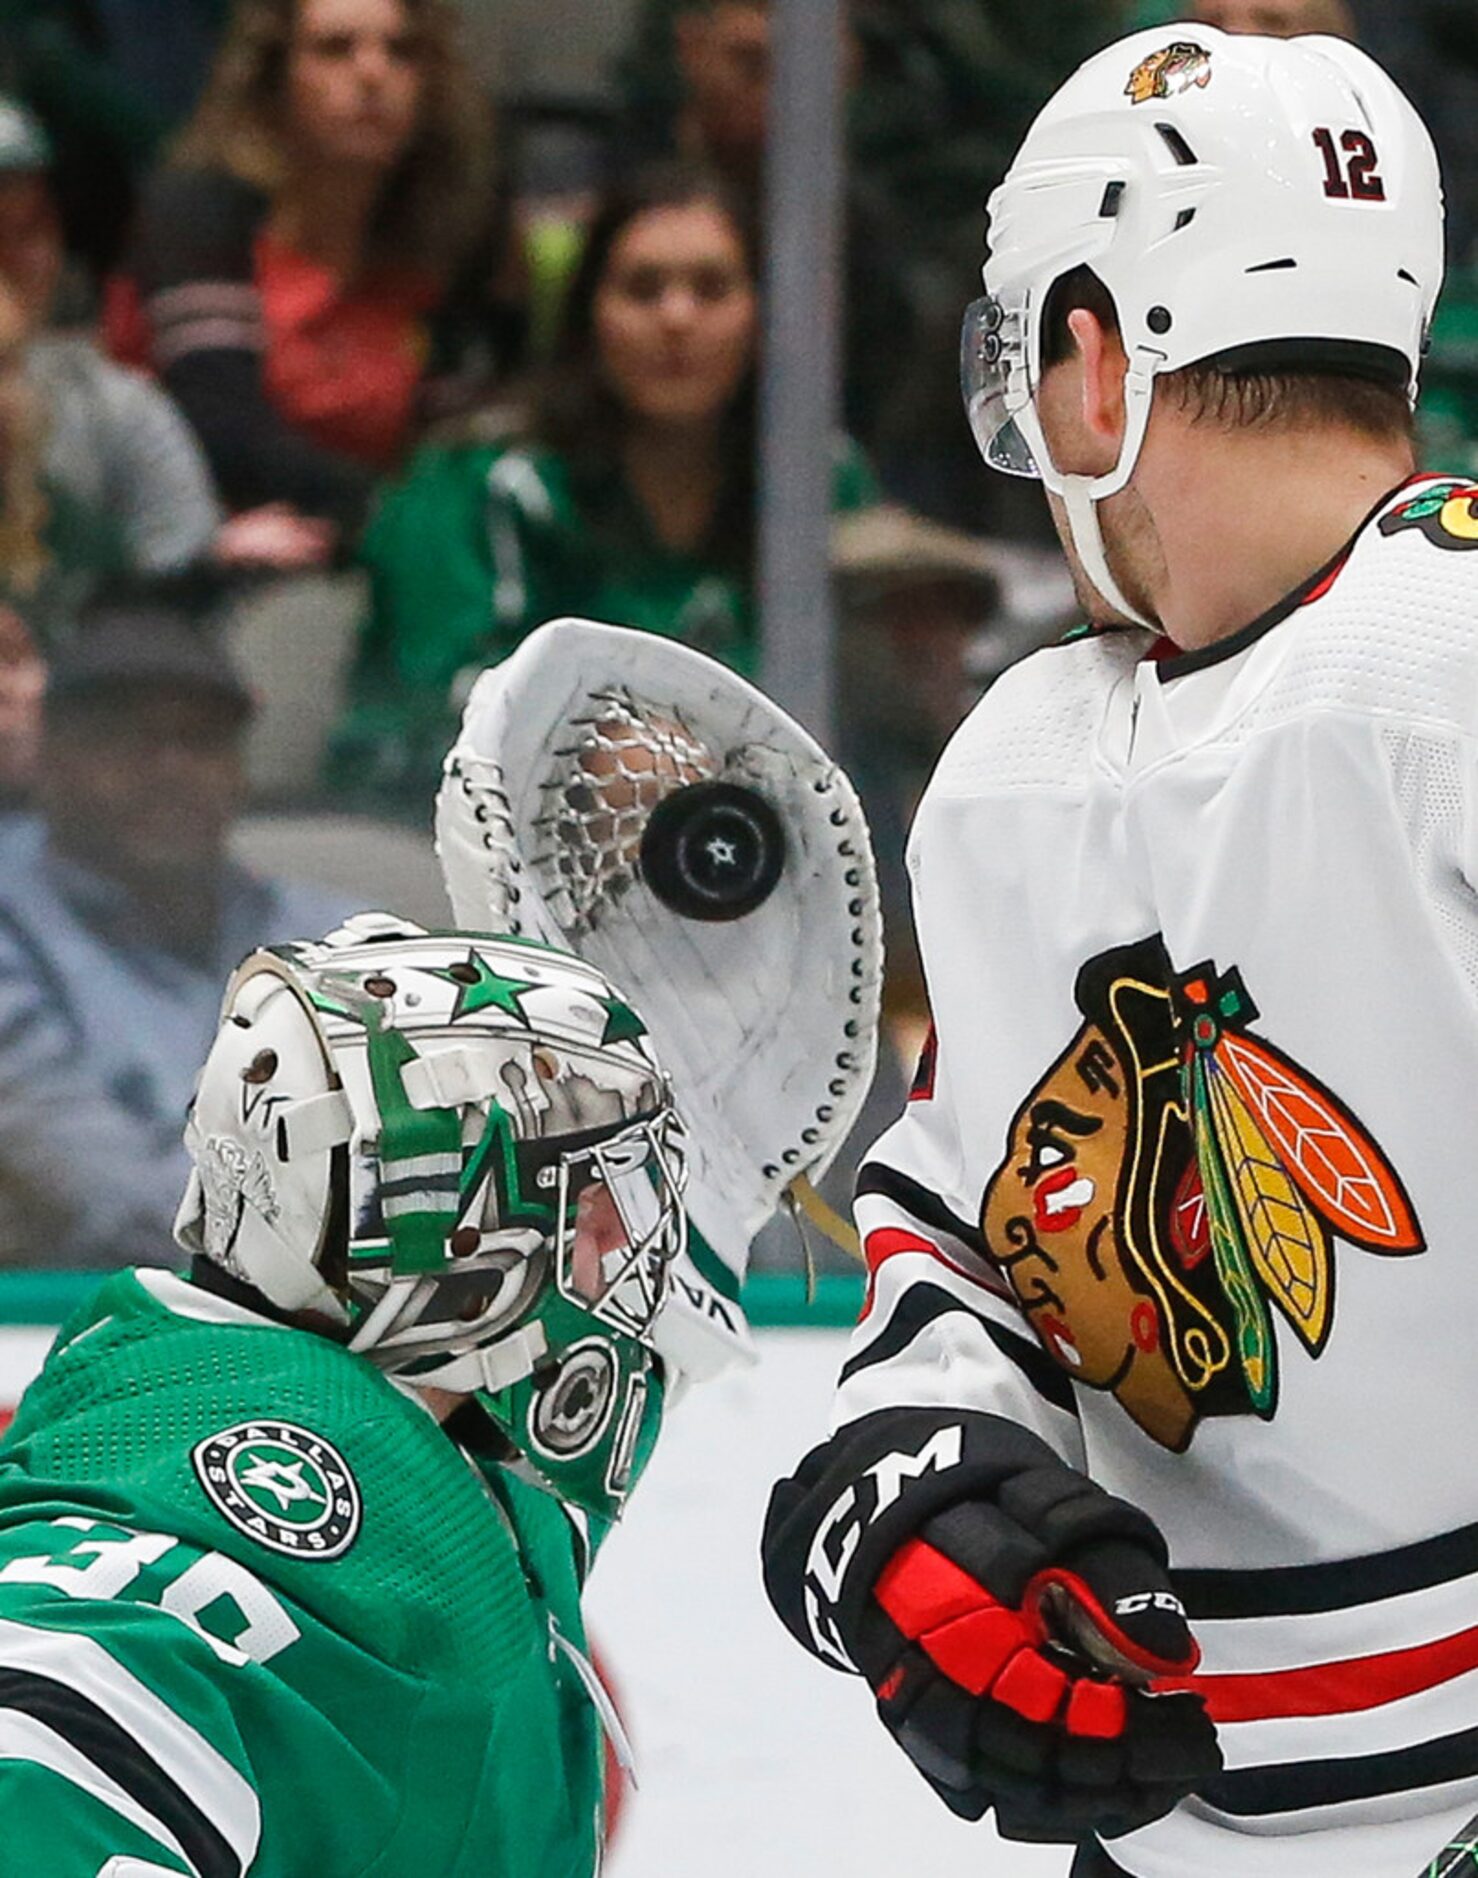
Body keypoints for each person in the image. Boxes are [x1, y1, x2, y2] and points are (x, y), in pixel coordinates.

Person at [760, 23, 1478, 1878]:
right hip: (1181, 1822)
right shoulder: (1019, 761)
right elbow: (970, 1240)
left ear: (1092, 363)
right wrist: (914, 1480)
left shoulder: (1438, 666)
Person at [0, 909, 693, 1872]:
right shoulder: (157, 1620)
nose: (626, 1249)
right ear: (447, 1247)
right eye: (593, 1201)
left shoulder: (387, 1506)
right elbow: (44, 1740)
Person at [326, 162, 877, 819]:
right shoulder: (478, 481)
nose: (677, 318)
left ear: (764, 316)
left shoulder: (818, 482)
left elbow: (863, 713)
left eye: (712, 288)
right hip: (469, 859)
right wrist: (614, 753)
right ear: (589, 314)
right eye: (643, 290)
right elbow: (423, 713)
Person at [0, 604, 352, 1267]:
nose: (171, 769)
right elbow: (100, 1192)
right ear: (48, 758)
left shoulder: (329, 937)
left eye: (201, 741)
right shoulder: (12, 925)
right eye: (126, 739)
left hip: (328, 1313)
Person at [105, 0, 499, 548]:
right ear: (273, 82)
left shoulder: (436, 245)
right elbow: (222, 428)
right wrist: (404, 516)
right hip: (195, 544)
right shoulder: (200, 215)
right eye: (335, 49)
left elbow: (456, 444)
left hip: (362, 550)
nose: (372, 73)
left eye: (401, 52)